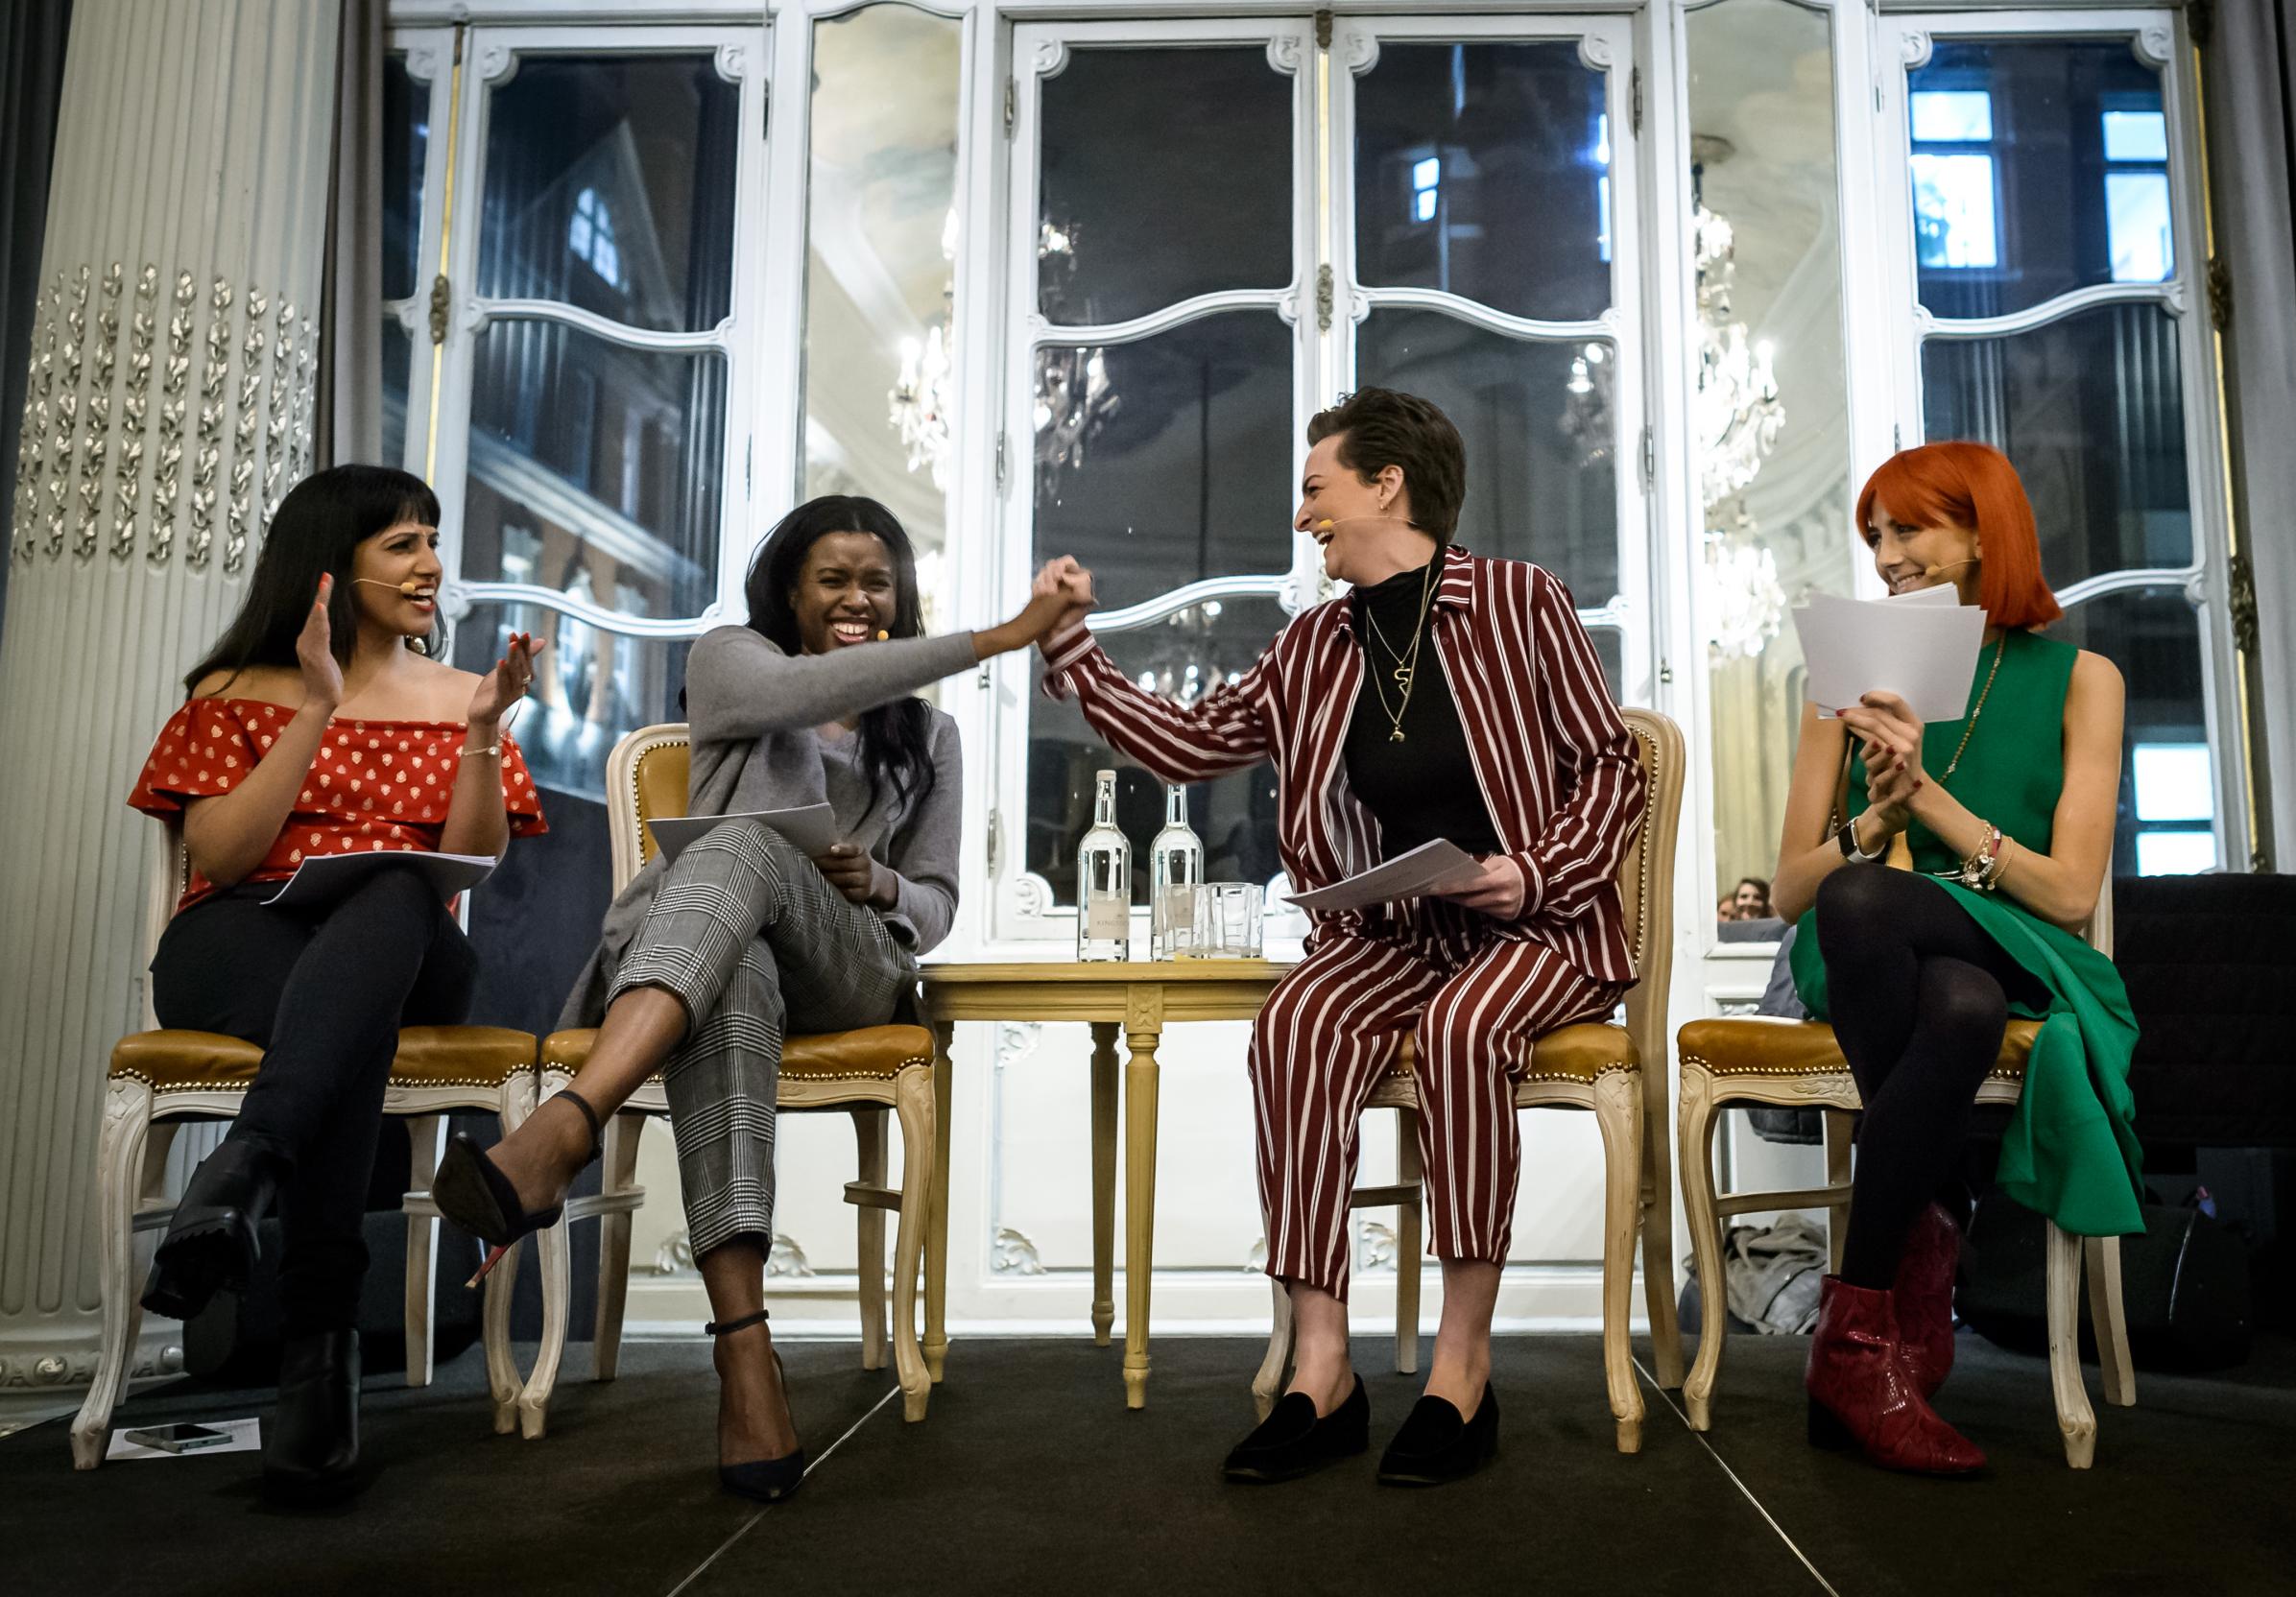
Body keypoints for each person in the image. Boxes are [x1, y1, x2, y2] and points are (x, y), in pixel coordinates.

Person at [1034, 388, 1645, 1487]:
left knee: (1464, 1030)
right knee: (1297, 1022)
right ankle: (1324, 1370)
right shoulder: (1312, 645)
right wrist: (1071, 647)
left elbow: (1611, 763)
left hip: (1536, 922)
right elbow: (1189, 739)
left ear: (1385, 484)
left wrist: (1532, 871)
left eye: (1316, 487)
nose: (1303, 511)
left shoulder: (1518, 602)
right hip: (1394, 930)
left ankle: (1462, 1370)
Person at [433, 495, 1080, 1504]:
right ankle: (746, 1353)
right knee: (734, 953)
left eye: (877, 579)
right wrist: (996, 637)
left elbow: (941, 901)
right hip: (706, 956)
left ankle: (567, 1126)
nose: (859, 598)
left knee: (742, 841)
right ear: (790, 588)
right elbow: (805, 686)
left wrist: (885, 886)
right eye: (834, 577)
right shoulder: (733, 659)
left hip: (848, 967)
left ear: (901, 592)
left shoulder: (933, 735)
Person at [128, 465, 546, 1502]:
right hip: (240, 937)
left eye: (432, 538)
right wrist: (316, 702)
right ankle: (320, 1361)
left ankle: (246, 1165)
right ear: (332, 562)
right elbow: (221, 857)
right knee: (341, 1035)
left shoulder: (460, 695)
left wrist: (486, 729)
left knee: (400, 887)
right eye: (402, 543)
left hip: (407, 946)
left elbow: (473, 861)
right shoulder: (231, 694)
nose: (431, 564)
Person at [1769, 441, 2141, 1475]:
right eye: (1875, 535)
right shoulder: (1838, 684)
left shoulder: (2083, 678)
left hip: (2014, 932)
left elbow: (2069, 893)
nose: (1886, 554)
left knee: (1952, 968)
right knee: (1928, 974)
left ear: (1982, 533)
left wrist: (1927, 799)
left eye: (1908, 529)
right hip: (1862, 943)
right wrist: (1874, 814)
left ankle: (1853, 1335)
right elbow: (1796, 886)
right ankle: (1921, 1251)